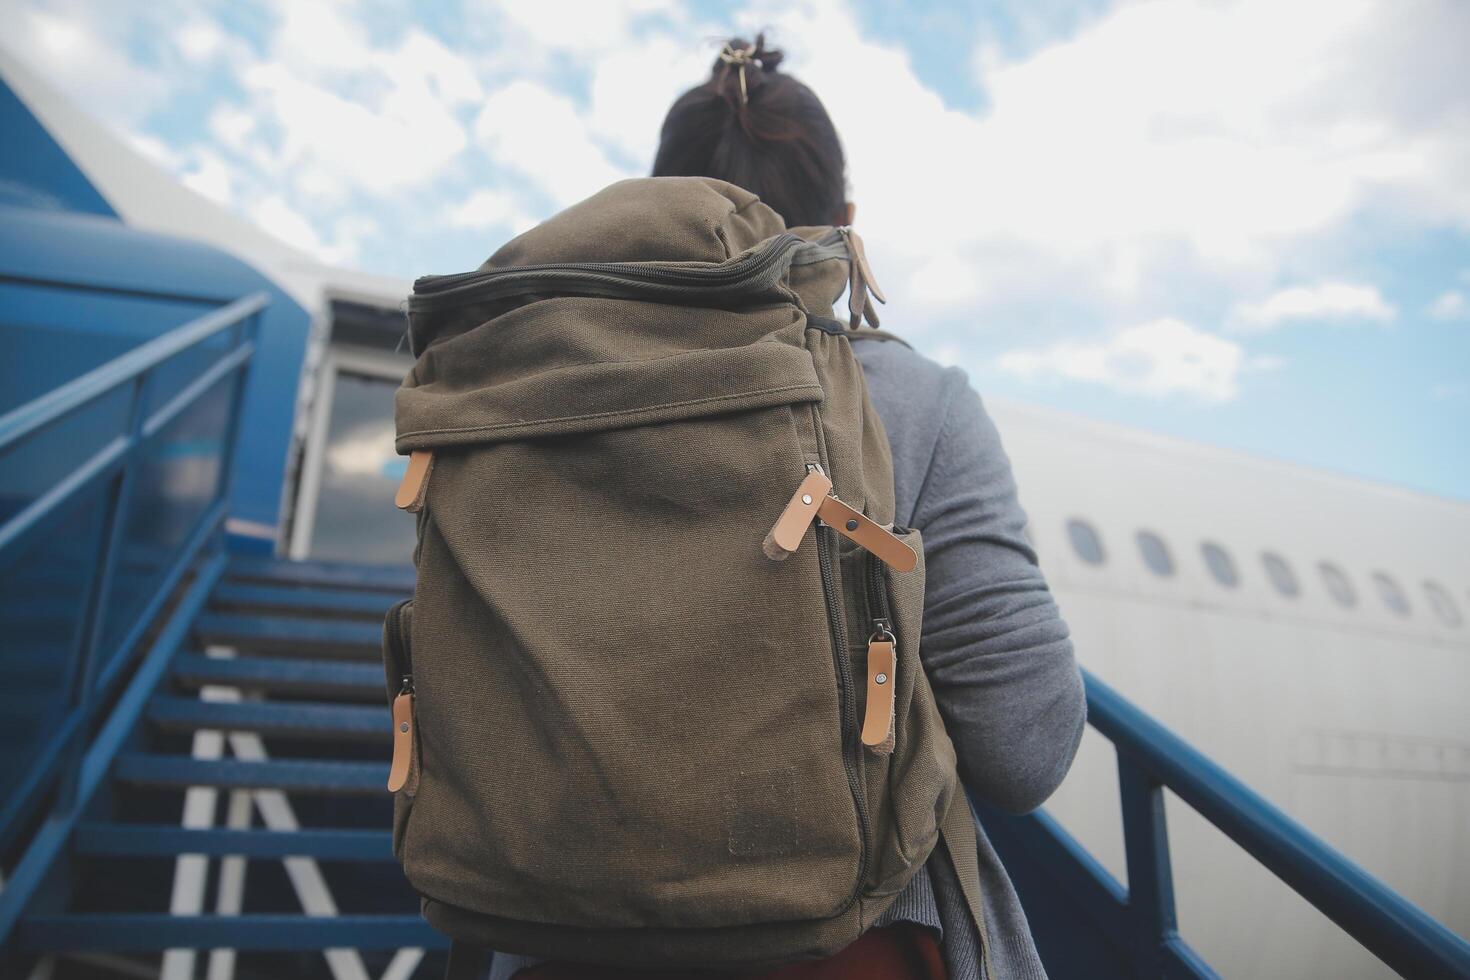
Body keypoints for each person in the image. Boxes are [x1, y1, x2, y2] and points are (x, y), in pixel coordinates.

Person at [489, 34, 1086, 980]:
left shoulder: (519, 405)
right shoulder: (916, 404)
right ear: (843, 225)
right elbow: (1026, 746)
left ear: (653, 207)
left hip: (567, 938)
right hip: (845, 949)